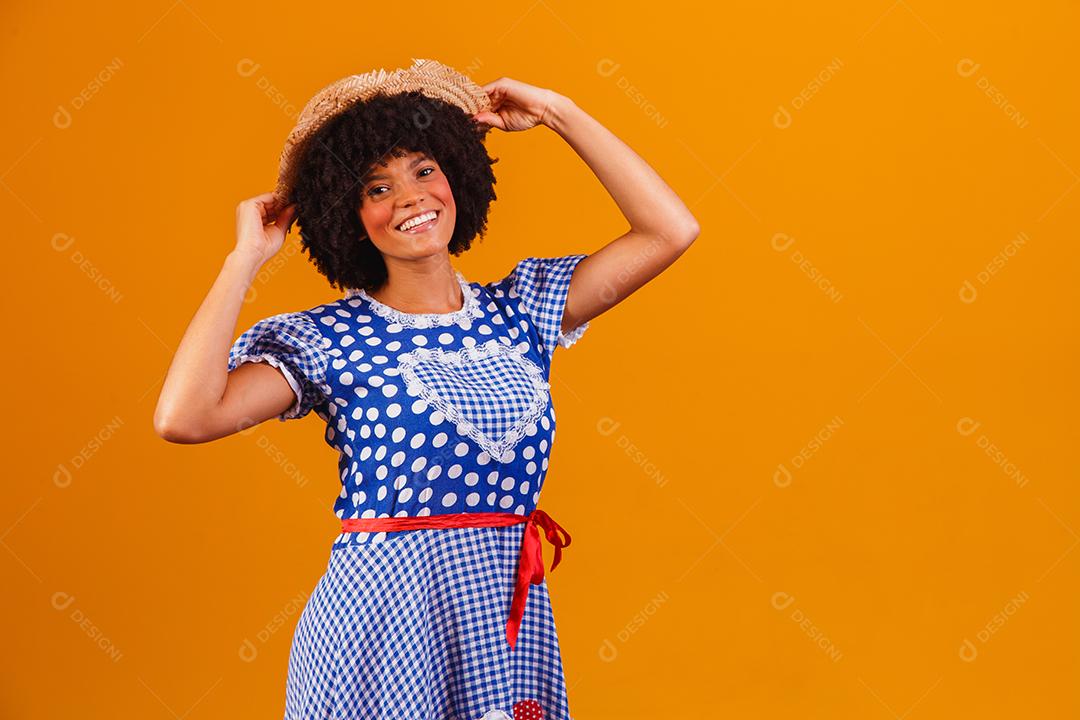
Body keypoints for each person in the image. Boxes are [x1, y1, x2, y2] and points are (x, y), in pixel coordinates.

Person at [153, 59, 699, 720]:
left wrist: (557, 113)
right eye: (376, 188)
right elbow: (185, 416)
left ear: (455, 174)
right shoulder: (332, 340)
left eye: (422, 170)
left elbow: (670, 231)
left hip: (500, 619)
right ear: (349, 218)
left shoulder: (521, 311)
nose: (410, 198)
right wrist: (244, 260)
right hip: (379, 631)